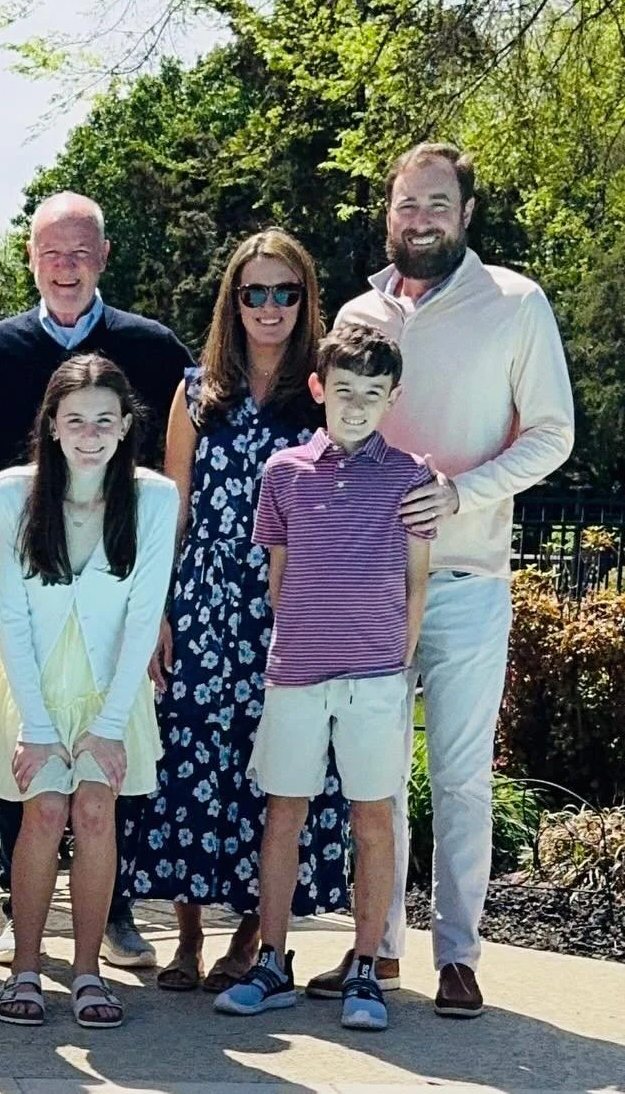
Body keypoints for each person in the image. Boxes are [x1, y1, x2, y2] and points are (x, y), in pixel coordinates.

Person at [311, 143, 574, 1019]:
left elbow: (553, 433)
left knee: (461, 776)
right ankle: (377, 949)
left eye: (436, 203)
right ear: (388, 213)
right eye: (406, 204)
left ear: (465, 212)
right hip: (369, 582)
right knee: (375, 775)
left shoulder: (516, 303)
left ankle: (458, 954)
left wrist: (463, 490)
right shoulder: (361, 312)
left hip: (467, 577)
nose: (420, 219)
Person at [0, 191, 191, 969]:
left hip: (118, 589)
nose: (66, 267)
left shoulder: (152, 347)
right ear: (32, 258)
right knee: (29, 774)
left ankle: (112, 916)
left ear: (103, 258)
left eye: (81, 252)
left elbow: (174, 463)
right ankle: (17, 909)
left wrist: (157, 607)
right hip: (29, 588)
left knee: (104, 782)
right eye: (52, 253)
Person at [134, 230, 351, 994]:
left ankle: (254, 935)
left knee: (276, 765)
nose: (269, 306)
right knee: (190, 758)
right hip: (202, 598)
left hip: (286, 603)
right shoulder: (197, 390)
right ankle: (188, 935)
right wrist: (158, 610)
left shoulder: (322, 392)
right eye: (254, 291)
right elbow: (174, 507)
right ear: (233, 300)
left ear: (305, 299)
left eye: (285, 291)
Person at [214, 325, 431, 1032]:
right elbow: (278, 580)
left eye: (372, 393)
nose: (357, 405)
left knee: (373, 818)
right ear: (318, 389)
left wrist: (395, 661)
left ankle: (365, 965)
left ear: (393, 398)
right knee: (284, 812)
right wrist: (304, 642)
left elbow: (417, 581)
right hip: (296, 674)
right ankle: (272, 961)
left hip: (376, 677)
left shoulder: (410, 477)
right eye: (344, 390)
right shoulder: (283, 473)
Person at [0, 354, 176, 1029]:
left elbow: (144, 613)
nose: (90, 434)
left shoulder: (155, 498)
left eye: (104, 420)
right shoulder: (12, 493)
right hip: (32, 678)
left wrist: (110, 725)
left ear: (125, 426)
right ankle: (26, 968)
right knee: (44, 809)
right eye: (75, 419)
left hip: (111, 683)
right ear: (52, 424)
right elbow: (11, 612)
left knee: (95, 811)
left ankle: (87, 973)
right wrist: (34, 723)